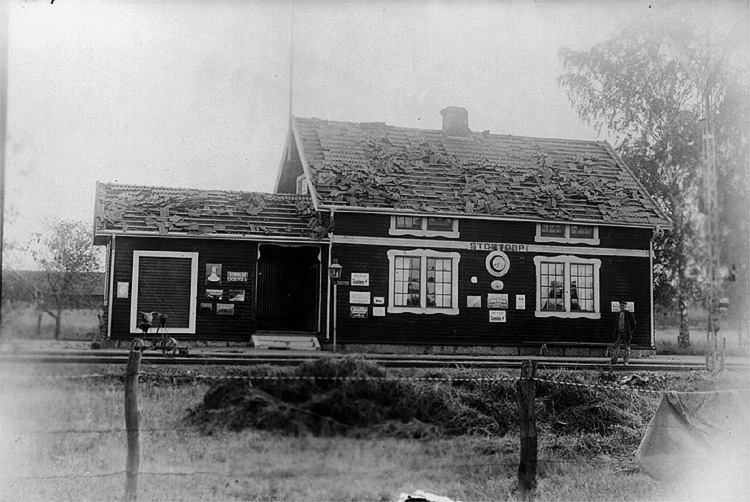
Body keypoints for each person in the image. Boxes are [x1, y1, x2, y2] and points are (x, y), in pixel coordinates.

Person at [611, 300, 636, 365]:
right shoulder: (618, 314)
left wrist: (629, 331)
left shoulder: (629, 314)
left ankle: (626, 361)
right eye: (621, 306)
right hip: (619, 332)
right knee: (615, 346)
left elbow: (633, 324)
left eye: (623, 306)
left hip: (626, 332)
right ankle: (613, 361)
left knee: (627, 347)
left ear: (625, 306)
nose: (622, 307)